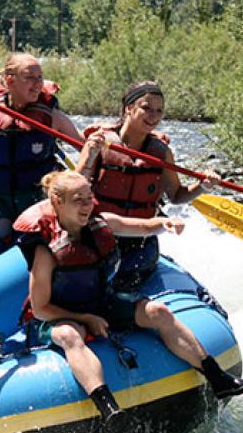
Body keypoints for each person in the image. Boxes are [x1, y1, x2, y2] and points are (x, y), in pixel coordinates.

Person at [15, 171, 243, 421]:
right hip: (58, 314)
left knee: (158, 311)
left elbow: (141, 226)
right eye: (78, 200)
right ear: (57, 201)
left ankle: (218, 379)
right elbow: (40, 308)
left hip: (101, 302)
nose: (87, 206)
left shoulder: (102, 223)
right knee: (69, 336)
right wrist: (85, 319)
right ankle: (109, 409)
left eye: (89, 198)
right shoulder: (45, 252)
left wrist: (164, 224)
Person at [78, 81, 220, 290]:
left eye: (159, 111)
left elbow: (176, 196)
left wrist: (202, 186)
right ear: (129, 108)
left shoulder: (161, 152)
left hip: (141, 241)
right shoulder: (99, 143)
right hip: (100, 234)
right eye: (146, 108)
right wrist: (90, 155)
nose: (153, 116)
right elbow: (74, 188)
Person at [0, 53, 84, 267]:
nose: (37, 84)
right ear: (10, 80)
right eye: (30, 78)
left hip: (37, 201)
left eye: (40, 78)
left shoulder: (51, 116)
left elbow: (83, 147)